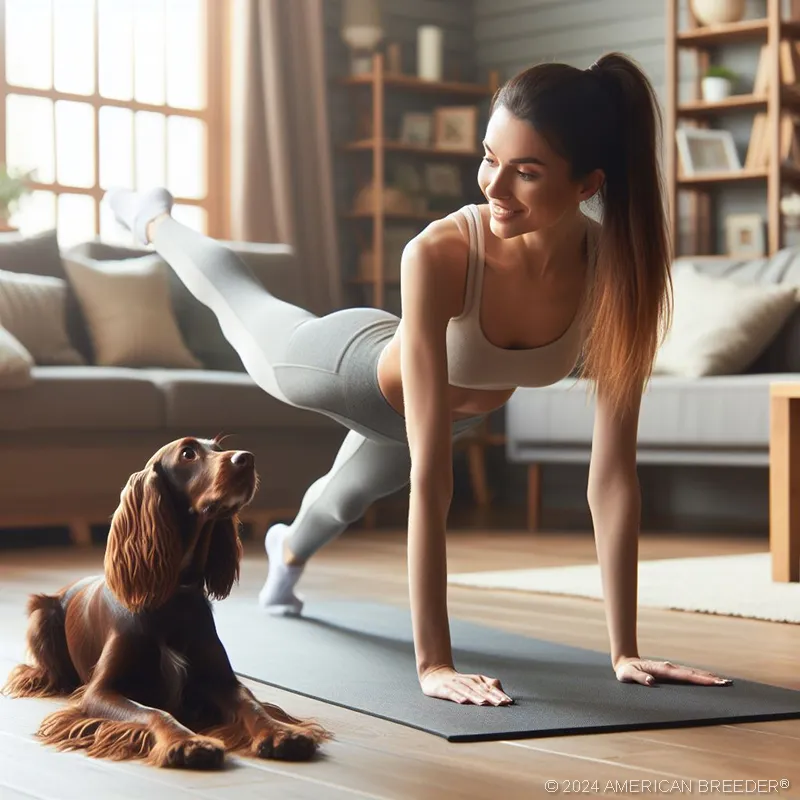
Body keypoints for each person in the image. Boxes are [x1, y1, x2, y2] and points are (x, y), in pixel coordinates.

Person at [105, 51, 733, 708]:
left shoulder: (616, 275)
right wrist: (434, 663)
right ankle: (155, 219)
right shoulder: (441, 251)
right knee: (242, 303)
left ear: (585, 185)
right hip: (347, 371)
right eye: (489, 157)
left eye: (525, 171)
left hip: (437, 415)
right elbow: (434, 477)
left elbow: (612, 474)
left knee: (340, 503)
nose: (493, 185)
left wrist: (623, 649)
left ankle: (286, 553)